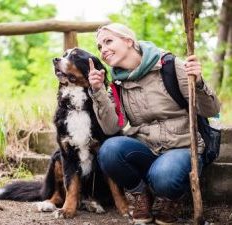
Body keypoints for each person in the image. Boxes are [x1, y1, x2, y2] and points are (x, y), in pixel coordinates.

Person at [88, 23, 220, 225]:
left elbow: (211, 110)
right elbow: (111, 127)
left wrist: (199, 82)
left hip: (182, 147)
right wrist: (98, 91)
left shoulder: (170, 66)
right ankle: (142, 196)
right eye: (99, 47)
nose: (103, 50)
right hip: (147, 148)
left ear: (128, 41)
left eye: (108, 41)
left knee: (164, 176)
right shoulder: (117, 83)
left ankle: (170, 198)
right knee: (109, 150)